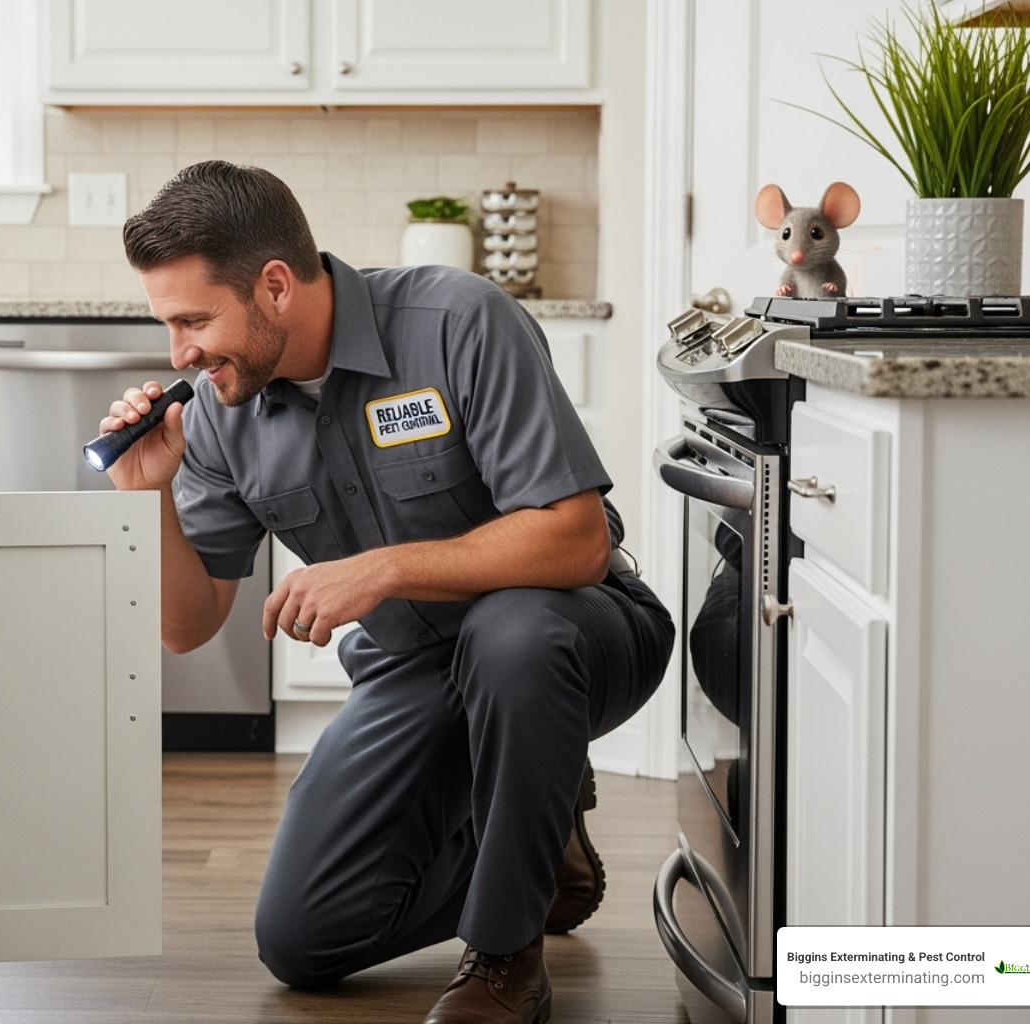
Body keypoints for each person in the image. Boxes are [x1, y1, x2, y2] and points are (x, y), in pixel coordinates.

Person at [99, 160, 674, 1024]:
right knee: (302, 940)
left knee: (510, 634)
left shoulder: (459, 321)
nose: (180, 353)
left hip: (575, 632)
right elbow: (186, 627)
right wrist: (149, 498)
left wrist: (387, 566)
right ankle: (534, 834)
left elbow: (577, 538)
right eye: (168, 325)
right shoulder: (219, 409)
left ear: (276, 286)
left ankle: (503, 960)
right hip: (417, 670)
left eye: (194, 320)